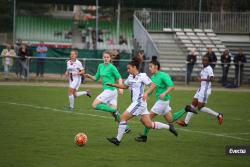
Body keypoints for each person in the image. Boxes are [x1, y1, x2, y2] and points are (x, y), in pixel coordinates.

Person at [106, 57, 178, 146]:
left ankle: (117, 140)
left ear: (134, 67)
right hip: (137, 104)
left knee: (123, 118)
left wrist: (146, 93)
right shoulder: (130, 77)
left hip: (139, 103)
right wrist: (113, 85)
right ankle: (169, 127)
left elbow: (152, 85)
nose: (128, 70)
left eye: (129, 68)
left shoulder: (142, 76)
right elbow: (125, 86)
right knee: (148, 124)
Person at [135, 56, 197, 142]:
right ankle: (186, 109)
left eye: (151, 66)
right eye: (149, 67)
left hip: (162, 102)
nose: (149, 68)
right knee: (171, 119)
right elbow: (152, 88)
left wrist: (164, 93)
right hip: (162, 101)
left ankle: (144, 137)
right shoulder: (153, 77)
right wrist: (147, 95)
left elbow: (172, 86)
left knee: (147, 119)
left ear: (156, 66)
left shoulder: (163, 75)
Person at [84, 51, 131, 133]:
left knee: (94, 105)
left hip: (110, 90)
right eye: (104, 57)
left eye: (107, 57)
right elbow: (96, 78)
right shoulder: (100, 66)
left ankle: (115, 110)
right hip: (111, 92)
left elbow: (119, 77)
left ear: (110, 58)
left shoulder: (112, 67)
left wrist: (121, 88)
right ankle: (126, 128)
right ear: (102, 58)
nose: (106, 58)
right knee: (113, 113)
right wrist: (89, 76)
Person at [176, 55, 223, 127]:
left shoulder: (209, 69)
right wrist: (199, 78)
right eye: (203, 60)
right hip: (200, 89)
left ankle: (218, 115)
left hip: (205, 91)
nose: (203, 61)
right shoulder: (204, 68)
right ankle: (185, 122)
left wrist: (202, 79)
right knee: (193, 104)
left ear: (209, 62)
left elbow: (212, 79)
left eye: (205, 60)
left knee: (200, 108)